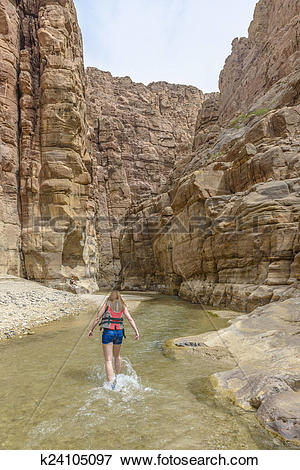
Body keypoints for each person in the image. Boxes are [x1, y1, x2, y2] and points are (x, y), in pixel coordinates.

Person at [88, 290, 139, 386]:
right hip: (119, 333)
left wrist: (91, 329)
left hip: (108, 332)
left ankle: (111, 384)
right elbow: (130, 319)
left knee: (108, 360)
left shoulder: (107, 303)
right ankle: (119, 378)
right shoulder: (123, 306)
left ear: (110, 296)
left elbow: (97, 318)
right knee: (117, 356)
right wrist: (136, 331)